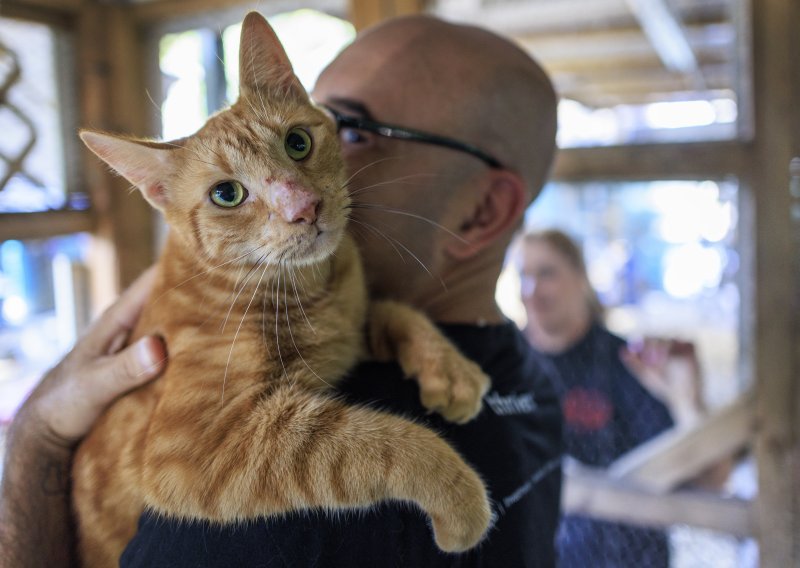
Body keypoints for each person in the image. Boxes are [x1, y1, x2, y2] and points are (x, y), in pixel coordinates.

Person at [0, 14, 562, 568]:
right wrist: (403, 332)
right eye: (227, 194)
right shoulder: (536, 387)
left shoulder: (282, 536)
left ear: (483, 209)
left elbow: (194, 469)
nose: (300, 202)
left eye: (343, 135)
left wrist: (40, 434)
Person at [516, 228, 717, 567]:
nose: (531, 290)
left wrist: (685, 399)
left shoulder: (628, 364)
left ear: (580, 277)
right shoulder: (504, 368)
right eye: (523, 275)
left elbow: (710, 479)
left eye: (546, 273)